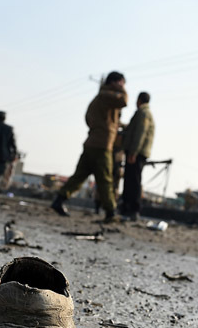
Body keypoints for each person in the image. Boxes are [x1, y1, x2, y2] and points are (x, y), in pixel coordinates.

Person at [51, 71, 128, 222]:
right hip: (102, 145)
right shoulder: (108, 96)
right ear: (115, 82)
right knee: (105, 179)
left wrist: (100, 128)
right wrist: (121, 88)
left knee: (78, 177)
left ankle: (58, 200)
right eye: (122, 83)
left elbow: (89, 118)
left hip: (91, 143)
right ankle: (111, 212)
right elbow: (124, 101)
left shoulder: (99, 97)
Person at [120, 92, 155, 220]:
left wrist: (133, 152)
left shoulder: (143, 113)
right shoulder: (143, 113)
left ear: (139, 100)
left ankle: (133, 209)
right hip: (136, 151)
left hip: (137, 152)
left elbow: (140, 133)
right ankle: (127, 208)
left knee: (133, 181)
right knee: (130, 179)